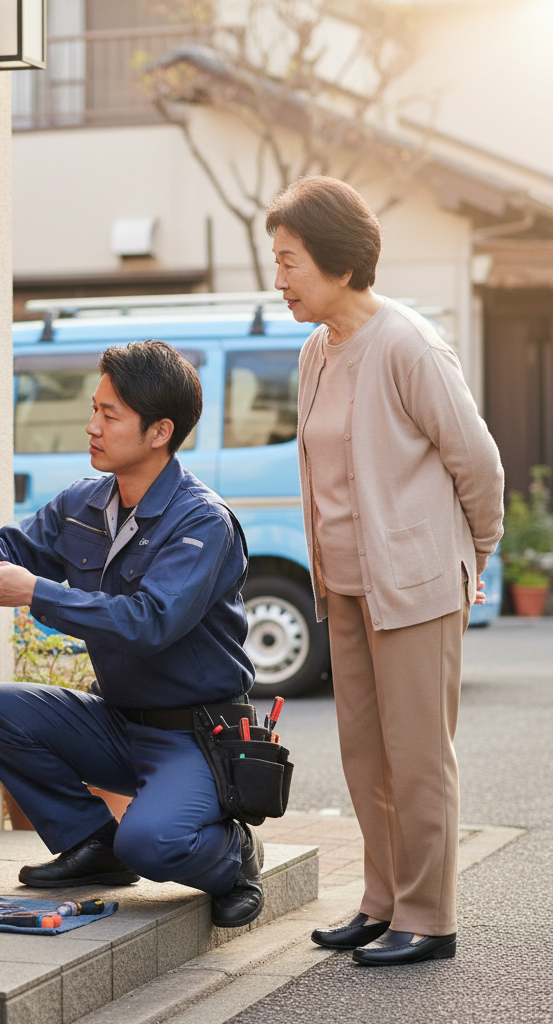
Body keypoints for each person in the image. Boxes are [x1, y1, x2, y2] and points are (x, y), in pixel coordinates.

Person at [0, 340, 265, 927]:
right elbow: (10, 556)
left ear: (160, 431)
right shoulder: (83, 504)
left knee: (153, 843)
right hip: (117, 722)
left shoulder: (202, 523)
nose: (91, 426)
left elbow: (149, 621)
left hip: (196, 736)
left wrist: (34, 591)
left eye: (109, 416)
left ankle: (234, 856)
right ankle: (95, 843)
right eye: (95, 409)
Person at [267, 176, 504, 966]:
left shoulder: (408, 343)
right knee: (365, 754)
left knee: (418, 754)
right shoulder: (316, 350)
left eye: (290, 261)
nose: (280, 278)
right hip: (345, 585)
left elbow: (479, 465)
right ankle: (382, 901)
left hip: (416, 582)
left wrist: (475, 557)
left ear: (337, 262)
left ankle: (429, 918)